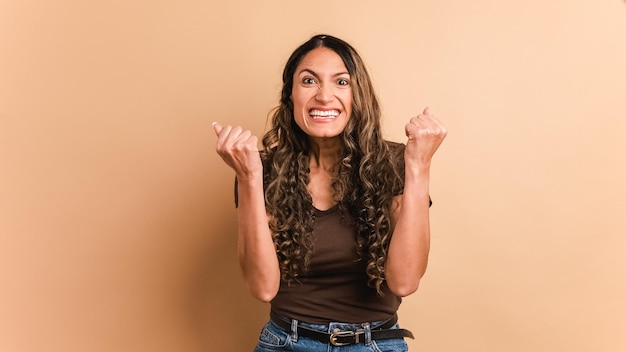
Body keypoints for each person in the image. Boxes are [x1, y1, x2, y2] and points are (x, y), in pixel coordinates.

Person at [213, 34, 446, 351]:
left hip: (375, 343)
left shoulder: (395, 162)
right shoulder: (261, 169)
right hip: (286, 343)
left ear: (357, 96)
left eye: (341, 82)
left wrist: (419, 166)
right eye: (309, 81)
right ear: (290, 95)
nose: (324, 96)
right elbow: (263, 288)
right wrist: (249, 177)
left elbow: (405, 281)